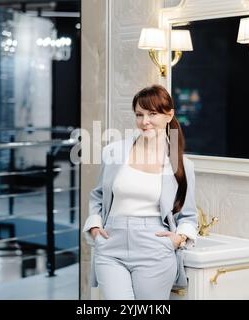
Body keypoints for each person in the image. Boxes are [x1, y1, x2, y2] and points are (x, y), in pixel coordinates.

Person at [83, 84, 198, 300]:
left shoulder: (182, 165)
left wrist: (178, 238)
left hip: (154, 246)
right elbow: (98, 195)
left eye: (152, 114)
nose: (144, 121)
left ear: (169, 114)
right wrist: (95, 228)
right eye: (139, 114)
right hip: (111, 245)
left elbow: (189, 214)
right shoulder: (114, 153)